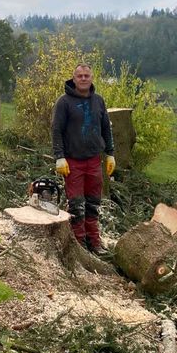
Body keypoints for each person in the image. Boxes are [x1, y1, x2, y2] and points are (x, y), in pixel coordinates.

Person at [51, 63, 115, 253]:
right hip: (73, 162)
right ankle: (79, 245)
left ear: (92, 77)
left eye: (87, 75)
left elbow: (106, 128)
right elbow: (56, 130)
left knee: (93, 203)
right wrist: (59, 157)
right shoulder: (64, 102)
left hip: (94, 160)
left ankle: (94, 243)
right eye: (80, 76)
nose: (84, 79)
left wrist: (110, 154)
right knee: (77, 205)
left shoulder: (99, 101)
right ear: (74, 78)